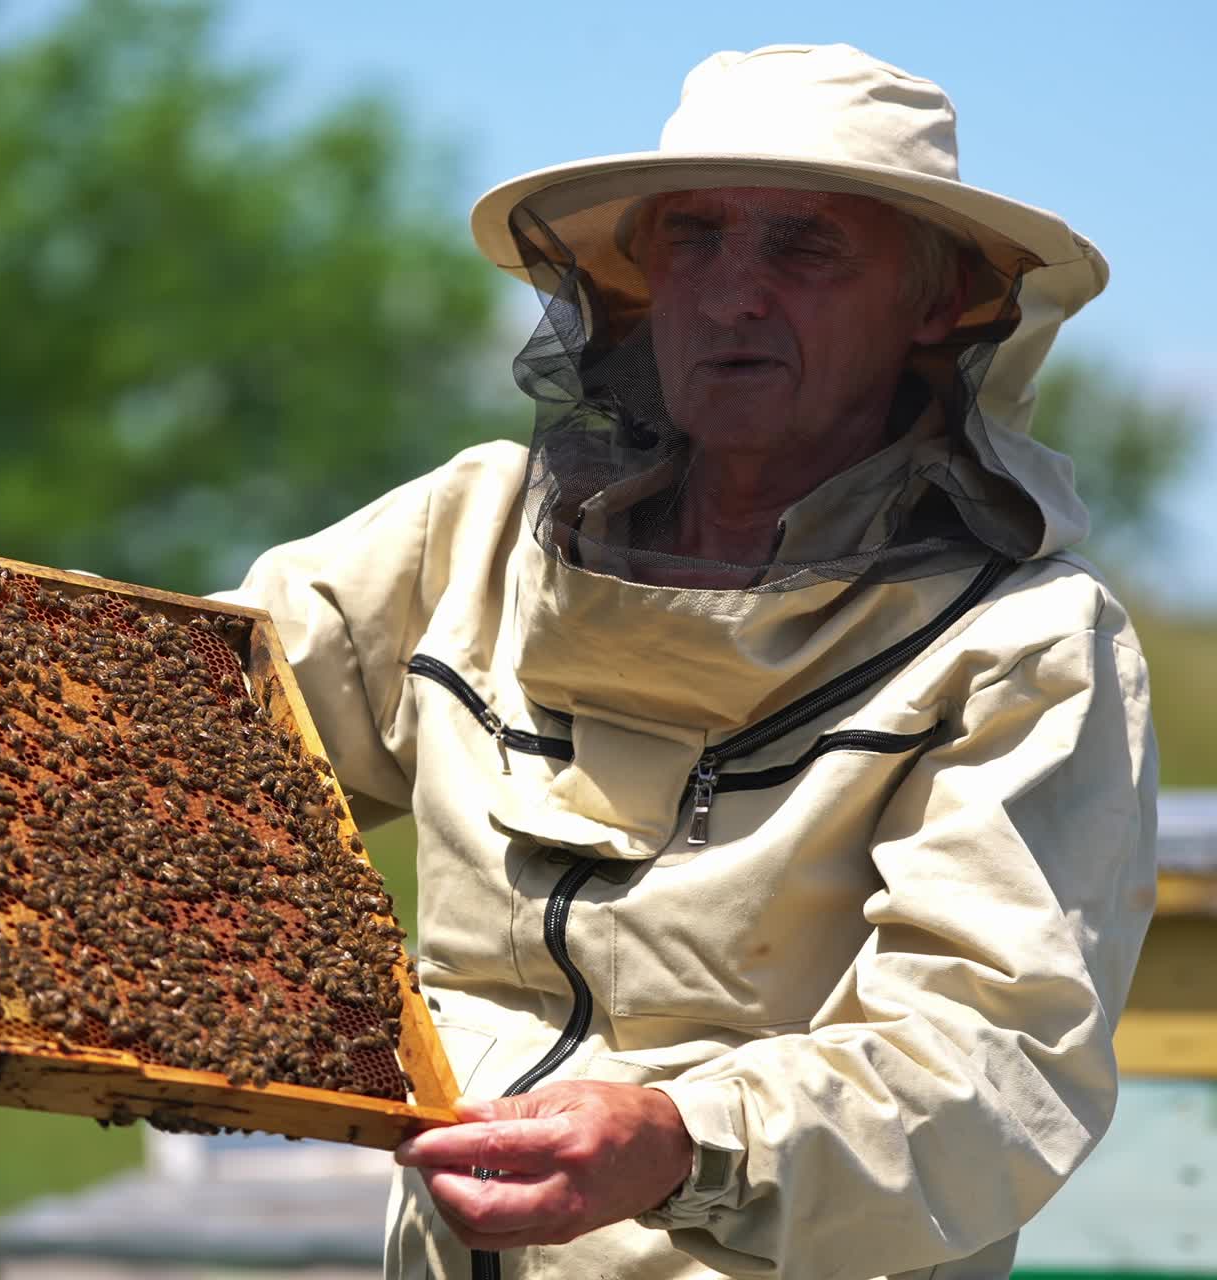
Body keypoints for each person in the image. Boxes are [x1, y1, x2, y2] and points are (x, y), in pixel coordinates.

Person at [220, 44, 1157, 1280]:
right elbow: (170, 736)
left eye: (802, 248)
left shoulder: (1021, 643)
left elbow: (987, 1059)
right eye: (694, 239)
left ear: (936, 304)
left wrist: (680, 1138)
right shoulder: (469, 536)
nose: (728, 296)